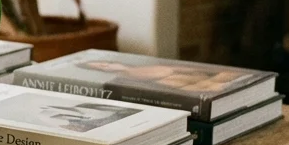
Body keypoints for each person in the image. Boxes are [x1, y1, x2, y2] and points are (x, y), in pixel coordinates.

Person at [80, 59, 251, 93]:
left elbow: (183, 69)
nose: (106, 67)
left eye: (103, 63)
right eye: (101, 69)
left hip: (205, 80)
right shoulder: (121, 82)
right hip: (198, 89)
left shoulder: (146, 64)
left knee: (224, 76)